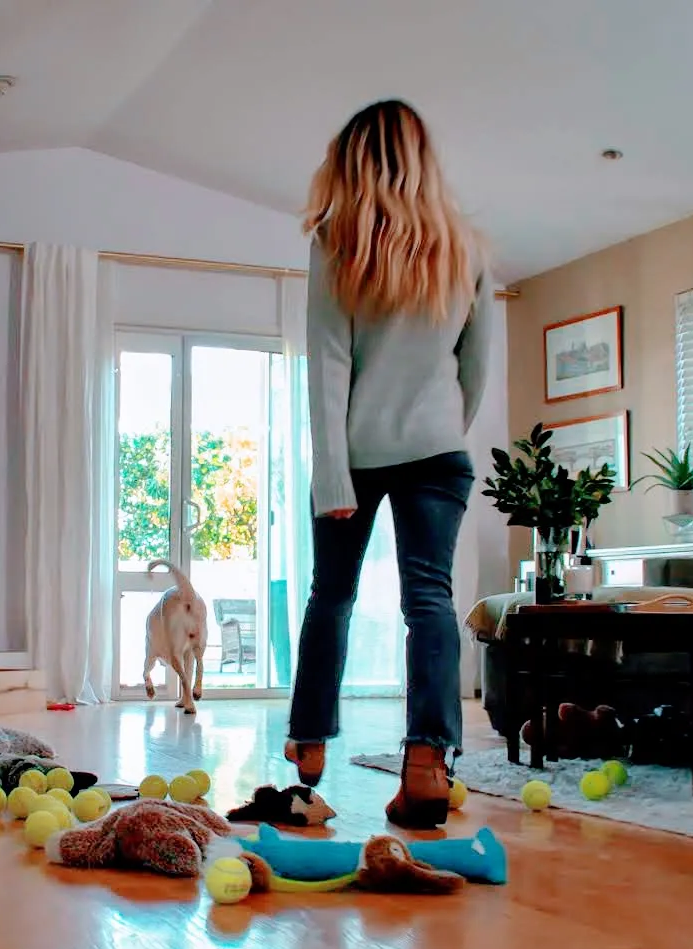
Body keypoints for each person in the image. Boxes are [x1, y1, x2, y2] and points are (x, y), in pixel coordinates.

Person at [285, 98, 495, 829]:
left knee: (331, 595)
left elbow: (328, 363)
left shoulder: (335, 241)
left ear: (352, 161)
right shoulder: (467, 247)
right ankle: (428, 762)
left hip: (359, 454)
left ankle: (308, 748)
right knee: (430, 601)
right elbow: (476, 366)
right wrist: (440, 429)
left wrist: (333, 473)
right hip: (439, 451)